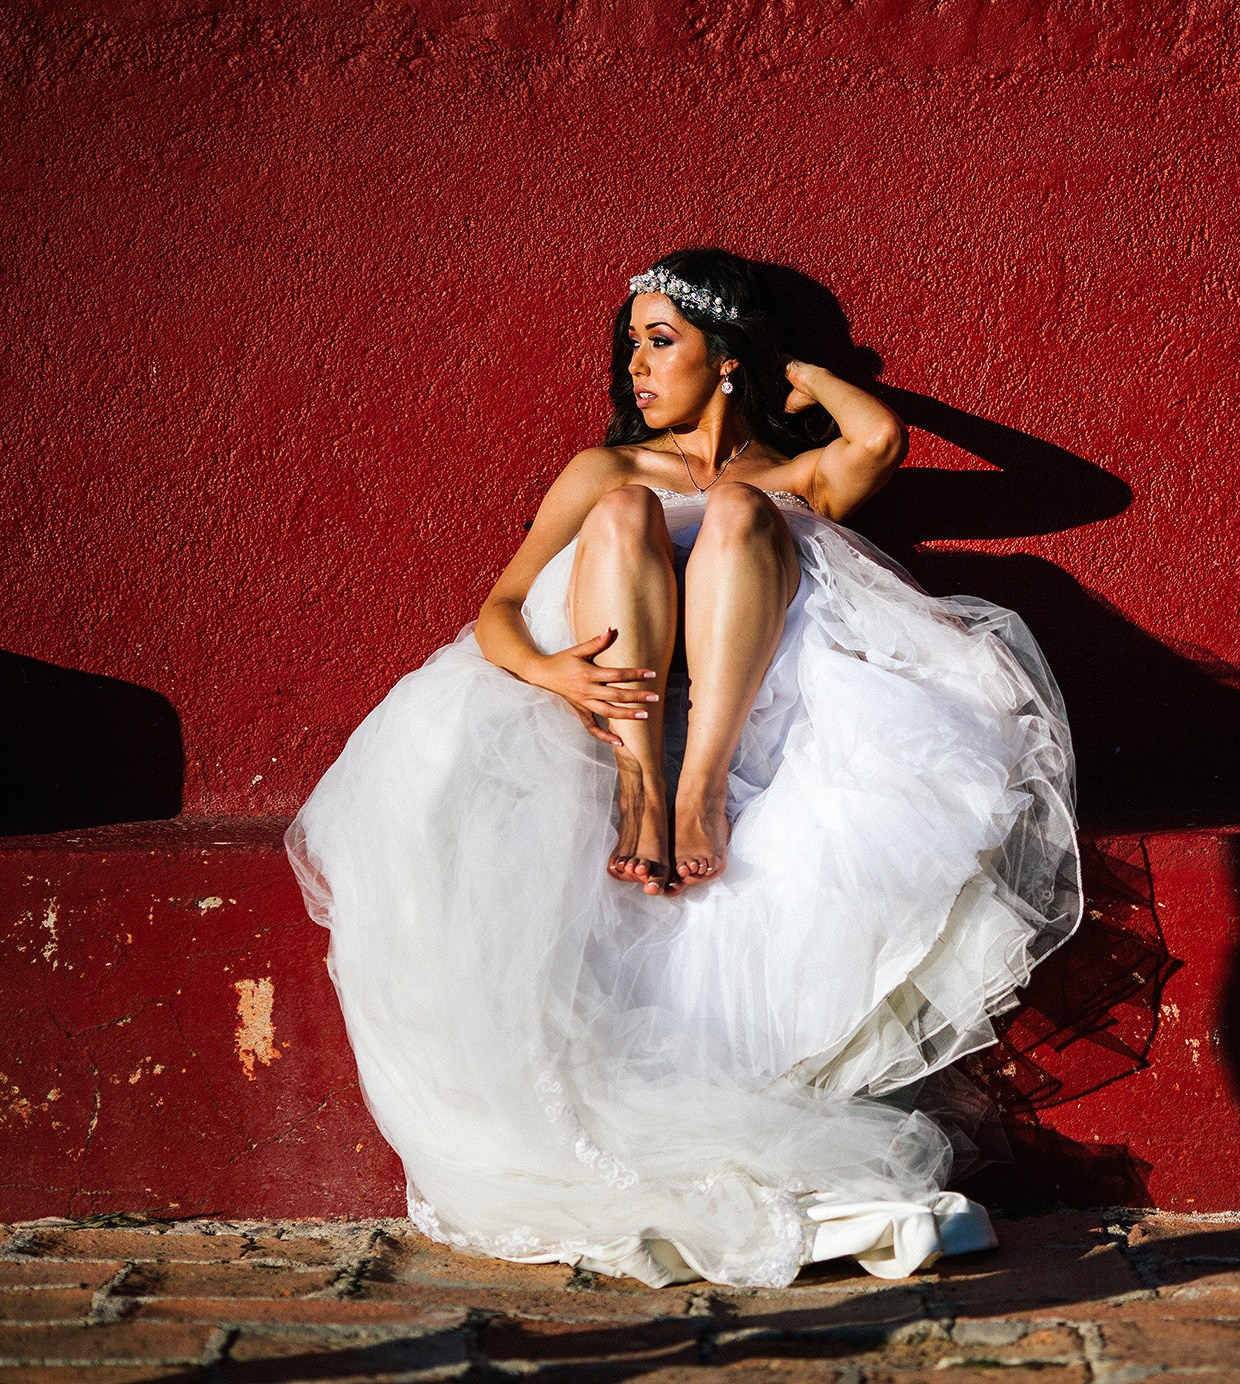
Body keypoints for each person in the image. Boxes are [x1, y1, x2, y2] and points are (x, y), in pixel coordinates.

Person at [286, 248, 1083, 1289]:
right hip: (616, 717)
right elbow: (500, 604)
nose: (635, 369)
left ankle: (694, 789)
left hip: (753, 737)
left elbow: (883, 437)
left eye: (660, 341)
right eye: (631, 347)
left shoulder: (787, 478)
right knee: (623, 520)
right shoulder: (603, 472)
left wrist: (792, 371)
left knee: (748, 513)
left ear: (726, 359)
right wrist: (550, 672)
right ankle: (645, 788)